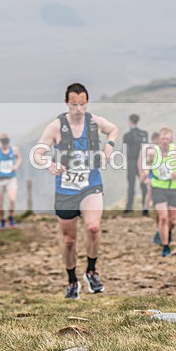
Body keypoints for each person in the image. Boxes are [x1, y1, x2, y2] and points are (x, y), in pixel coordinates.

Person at [32, 83, 118, 299]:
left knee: (93, 227)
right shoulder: (55, 127)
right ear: (66, 103)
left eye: (82, 104)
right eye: (74, 104)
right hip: (66, 190)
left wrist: (109, 146)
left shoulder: (94, 122)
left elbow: (113, 129)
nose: (79, 109)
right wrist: (49, 164)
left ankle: (91, 271)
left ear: (87, 102)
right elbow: (38, 153)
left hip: (91, 185)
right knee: (69, 240)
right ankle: (72, 280)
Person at [143, 127, 176, 257]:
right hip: (158, 186)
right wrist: (147, 176)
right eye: (163, 138)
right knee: (163, 217)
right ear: (159, 138)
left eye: (167, 138)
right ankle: (165, 246)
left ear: (171, 139)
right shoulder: (153, 152)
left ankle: (165, 232)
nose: (165, 141)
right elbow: (146, 164)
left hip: (173, 187)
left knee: (172, 220)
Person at [123, 114, 149, 214]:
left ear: (130, 121)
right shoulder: (143, 134)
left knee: (131, 185)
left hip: (133, 161)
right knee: (143, 184)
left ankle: (129, 207)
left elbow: (126, 144)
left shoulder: (127, 135)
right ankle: (144, 206)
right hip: (141, 161)